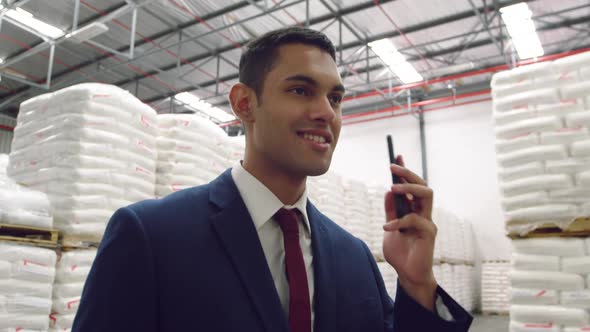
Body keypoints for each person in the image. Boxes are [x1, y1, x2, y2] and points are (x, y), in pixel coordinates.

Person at [72, 27, 473, 331]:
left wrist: (419, 284)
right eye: (301, 90)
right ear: (244, 103)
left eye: (335, 98)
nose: (326, 113)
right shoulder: (150, 236)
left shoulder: (355, 258)